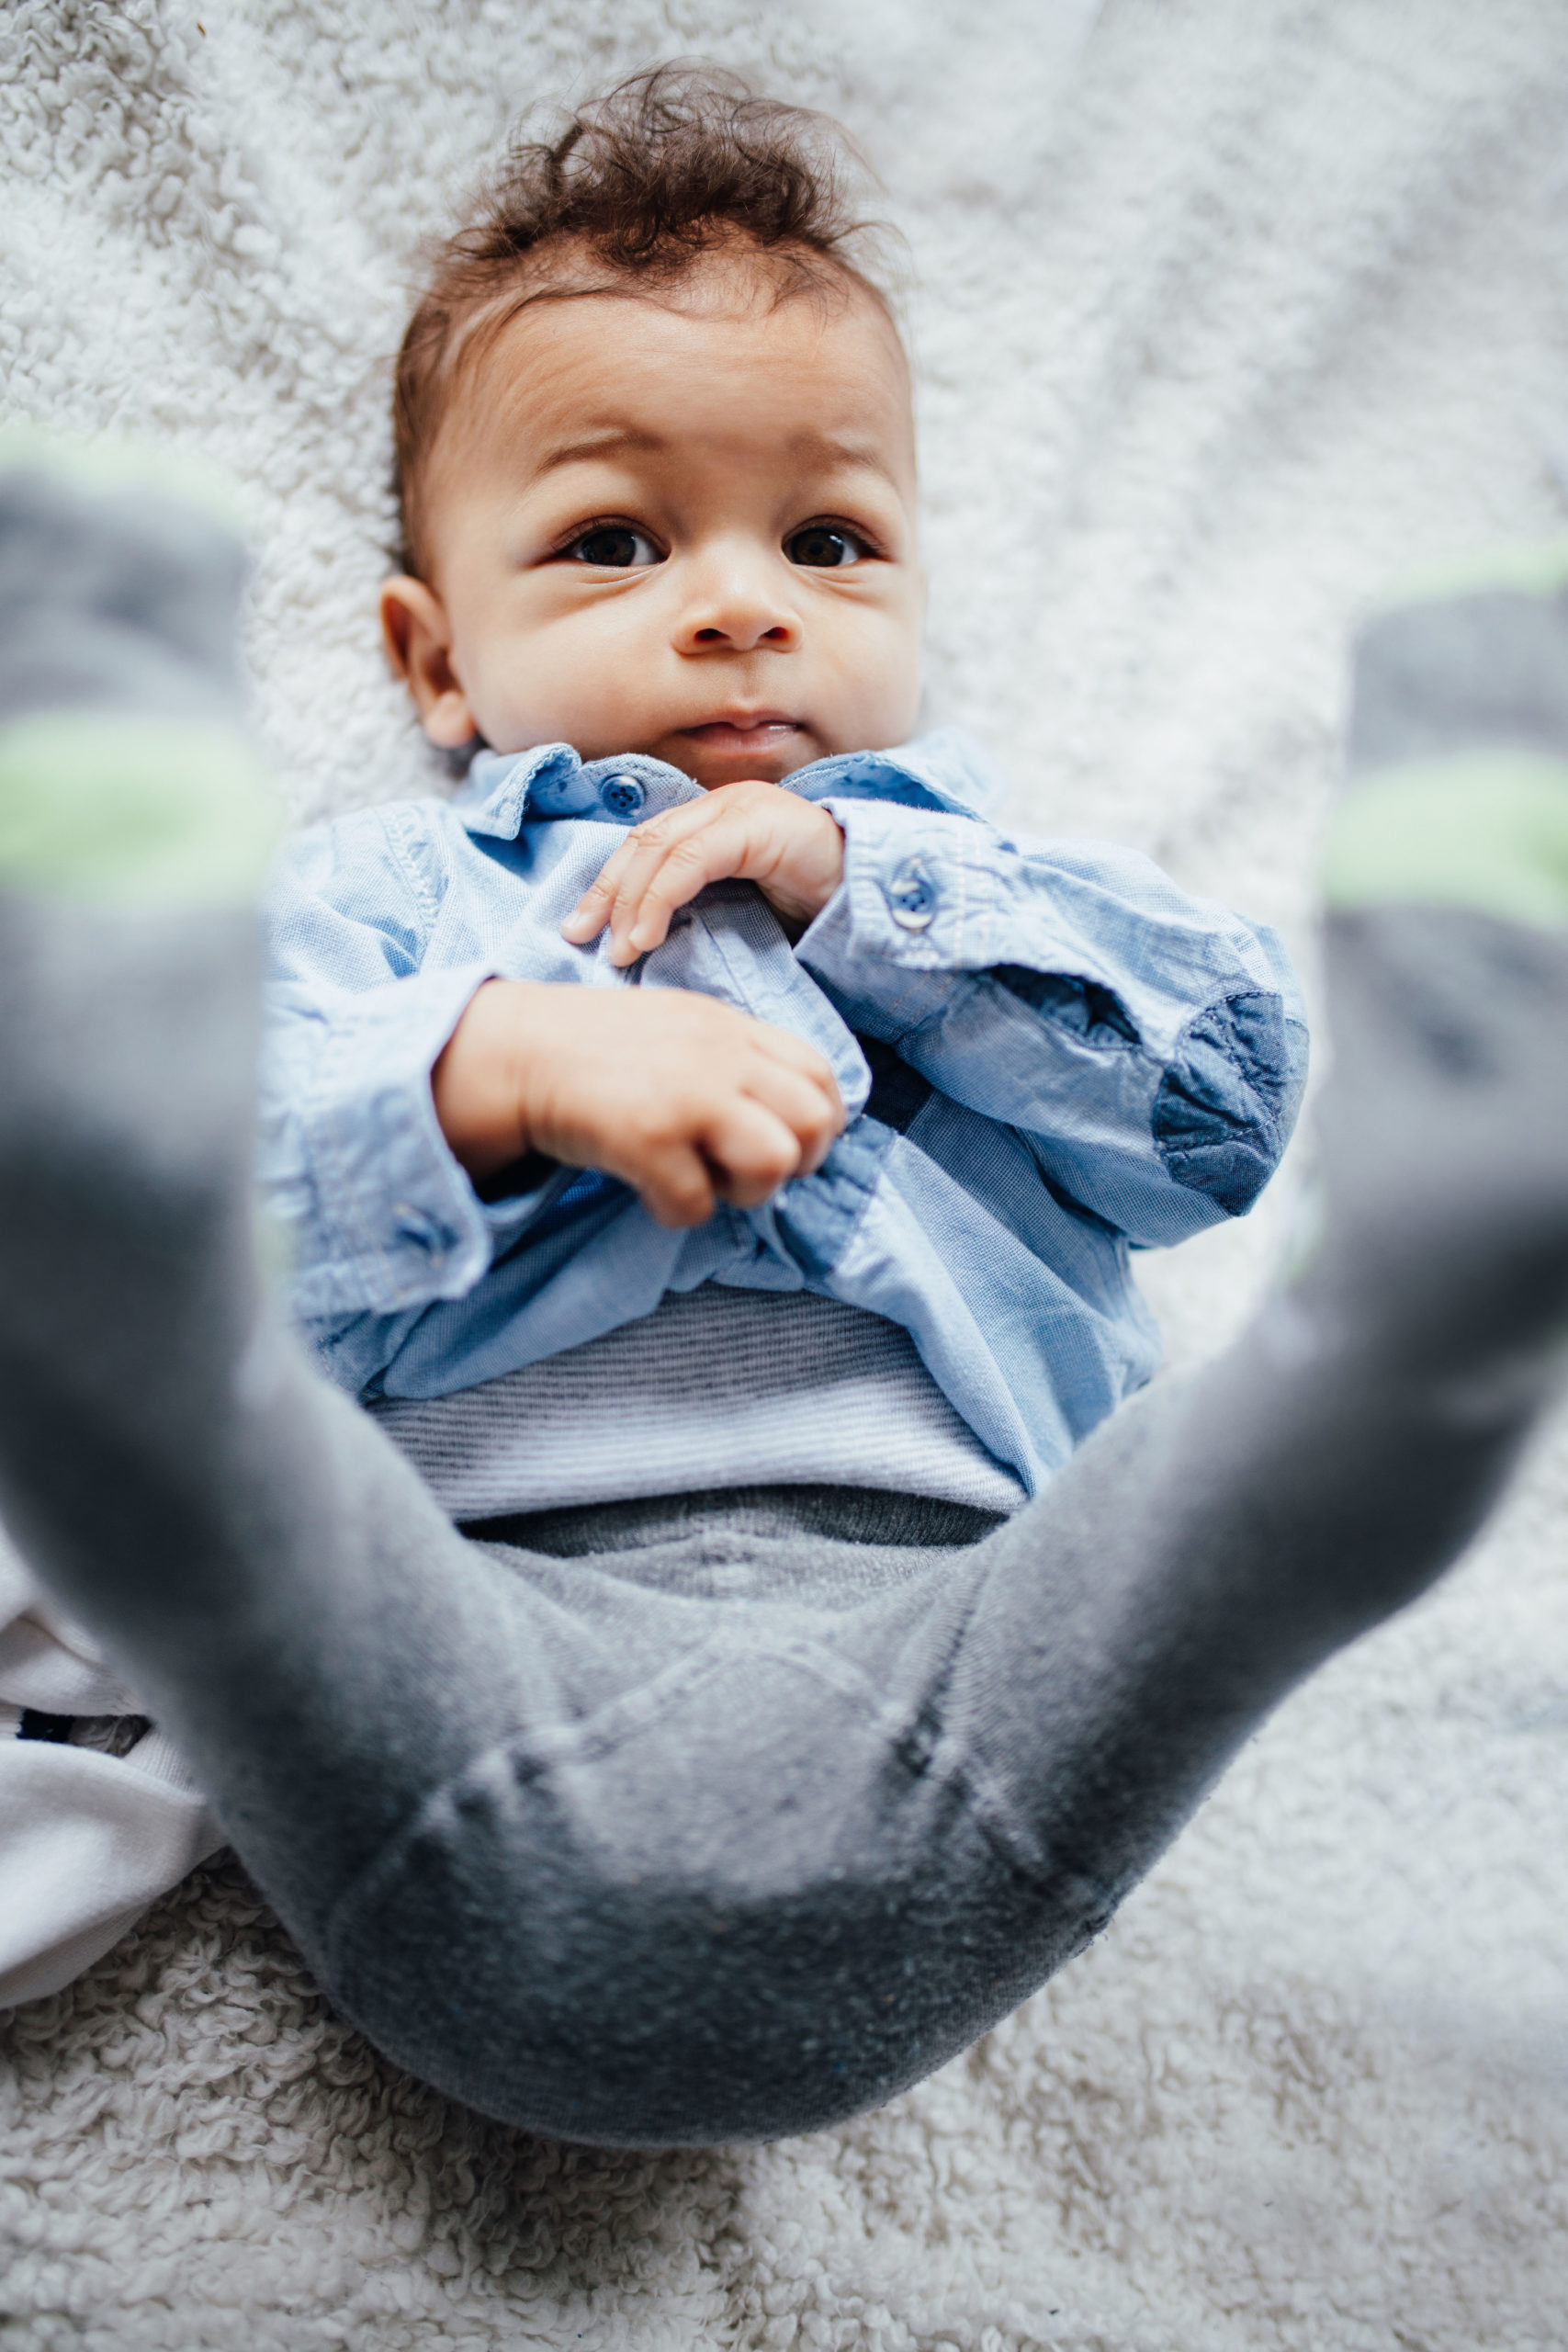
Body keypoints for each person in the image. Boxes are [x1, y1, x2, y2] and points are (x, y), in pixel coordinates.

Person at [1, 72, 1562, 2148]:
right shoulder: (395, 900)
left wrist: (874, 898)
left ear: (913, 610)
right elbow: (249, 1154)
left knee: (1229, 1505)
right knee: (202, 1424)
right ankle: (88, 991)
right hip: (472, 1626)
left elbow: (1211, 1110)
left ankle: (1418, 1309)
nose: (742, 600)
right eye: (611, 540)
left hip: (967, 1630)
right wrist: (498, 1069)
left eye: (826, 540)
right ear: (432, 656)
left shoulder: (993, 884)